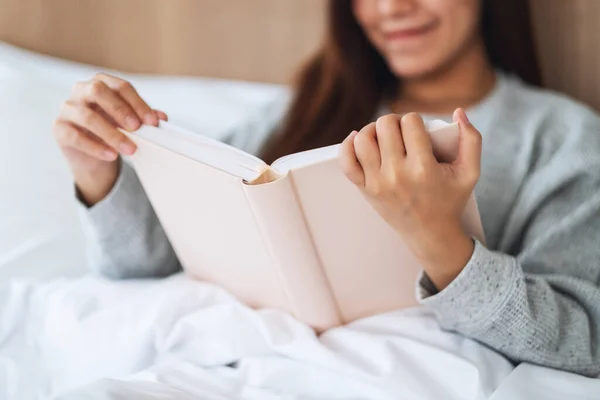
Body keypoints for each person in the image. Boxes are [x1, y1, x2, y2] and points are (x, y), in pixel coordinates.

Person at [53, 0, 600, 377]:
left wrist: (439, 240)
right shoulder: (308, 105)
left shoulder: (563, 138)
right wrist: (98, 170)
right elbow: (149, 266)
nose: (390, 9)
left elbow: (581, 340)